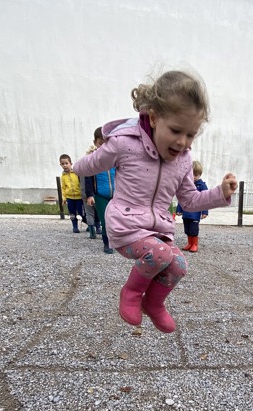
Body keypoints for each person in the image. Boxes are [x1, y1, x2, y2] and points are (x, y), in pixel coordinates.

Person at [73, 69, 238, 333]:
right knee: (160, 254)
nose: (182, 142)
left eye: (190, 134)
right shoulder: (125, 144)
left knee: (179, 264)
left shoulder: (183, 160)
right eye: (175, 130)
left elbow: (190, 199)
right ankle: (131, 293)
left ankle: (154, 303)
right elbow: (92, 164)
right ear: (154, 117)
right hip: (125, 226)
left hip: (157, 231)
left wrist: (221, 193)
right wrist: (76, 168)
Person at [82, 127, 115, 253]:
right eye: (101, 143)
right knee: (105, 219)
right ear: (95, 142)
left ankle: (116, 241)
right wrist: (90, 195)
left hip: (116, 195)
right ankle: (107, 243)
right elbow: (88, 178)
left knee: (116, 219)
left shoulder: (115, 158)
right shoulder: (93, 159)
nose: (104, 146)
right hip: (100, 195)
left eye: (107, 143)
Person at [176, 160, 208, 252]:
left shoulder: (202, 186)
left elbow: (206, 200)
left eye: (196, 175)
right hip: (186, 213)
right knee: (187, 229)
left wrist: (205, 212)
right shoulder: (185, 186)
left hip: (195, 213)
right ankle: (189, 243)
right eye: (191, 175)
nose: (193, 177)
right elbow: (182, 198)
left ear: (200, 175)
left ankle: (194, 244)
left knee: (194, 229)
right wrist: (179, 209)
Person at [59, 154, 83, 233]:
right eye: (63, 164)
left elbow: (81, 183)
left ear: (71, 163)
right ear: (60, 165)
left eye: (66, 163)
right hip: (70, 198)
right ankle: (75, 226)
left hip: (79, 197)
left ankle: (90, 224)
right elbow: (64, 188)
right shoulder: (63, 176)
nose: (65, 165)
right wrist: (64, 198)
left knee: (81, 212)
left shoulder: (76, 173)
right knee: (72, 213)